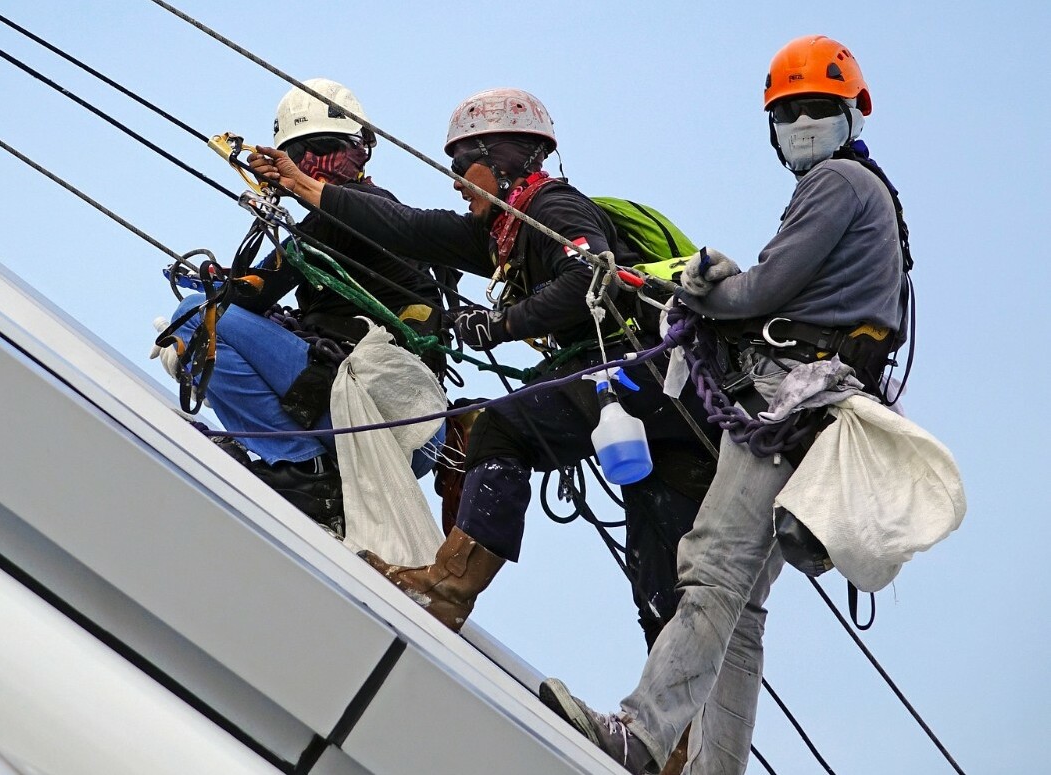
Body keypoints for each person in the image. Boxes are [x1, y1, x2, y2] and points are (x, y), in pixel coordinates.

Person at [537, 36, 912, 773]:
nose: (802, 122)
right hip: (821, 408)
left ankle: (639, 734)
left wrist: (697, 287)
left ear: (851, 113)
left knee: (709, 569)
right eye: (789, 111)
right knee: (740, 611)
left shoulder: (836, 183)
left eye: (815, 108)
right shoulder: (873, 196)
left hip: (788, 401)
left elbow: (763, 293)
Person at [250, 88, 720, 640]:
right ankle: (679, 726)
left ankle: (447, 587)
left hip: (646, 372)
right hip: (669, 402)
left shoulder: (553, 208)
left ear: (501, 157)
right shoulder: (500, 232)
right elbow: (408, 227)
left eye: (459, 163)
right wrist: (309, 188)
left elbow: (588, 277)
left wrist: (501, 325)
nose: (453, 179)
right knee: (656, 563)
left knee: (501, 425)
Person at [166, 78, 446, 536]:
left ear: (360, 152)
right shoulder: (382, 215)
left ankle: (301, 467)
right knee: (219, 321)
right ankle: (315, 477)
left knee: (198, 316)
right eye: (299, 156)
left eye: (324, 150)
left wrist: (216, 283)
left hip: (378, 411)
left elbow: (253, 291)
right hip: (409, 430)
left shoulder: (349, 210)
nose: (312, 166)